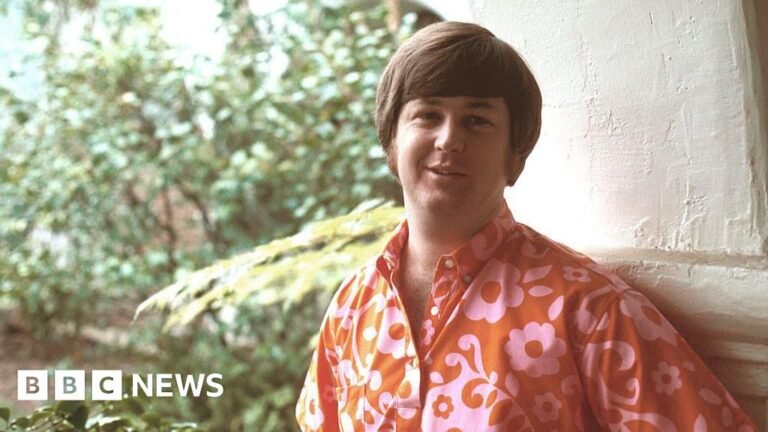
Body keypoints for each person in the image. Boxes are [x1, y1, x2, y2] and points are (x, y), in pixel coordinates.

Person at [295, 21, 758, 431]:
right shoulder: (351, 309)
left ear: (515, 157)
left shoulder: (589, 311)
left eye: (476, 120)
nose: (449, 139)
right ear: (392, 144)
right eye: (428, 115)